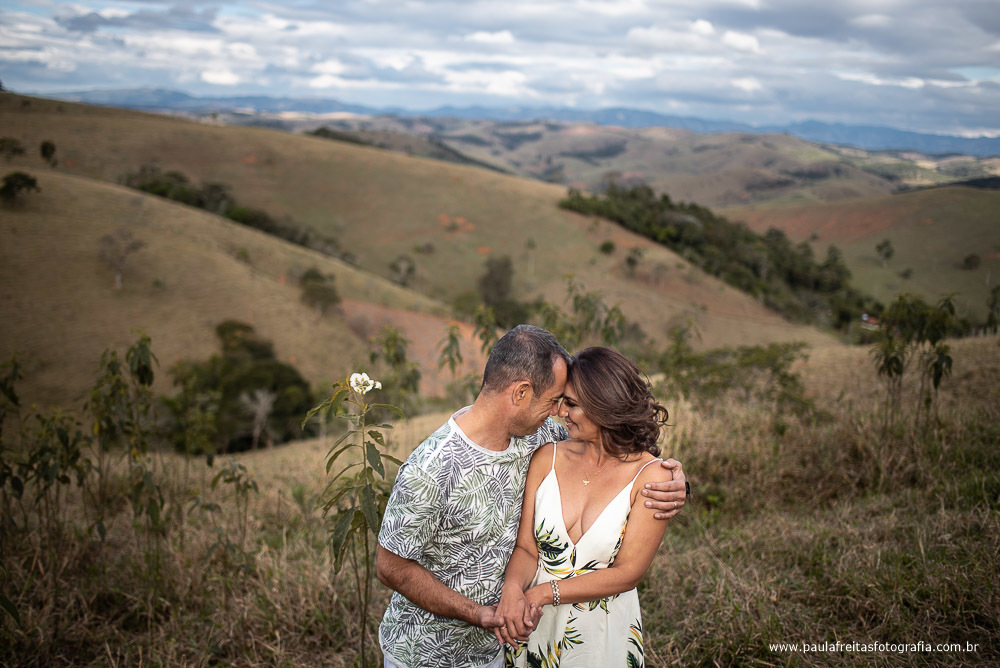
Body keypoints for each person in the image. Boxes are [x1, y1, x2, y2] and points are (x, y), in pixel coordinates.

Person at [376, 326, 687, 668]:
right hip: (428, 654)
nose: (558, 412)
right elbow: (390, 567)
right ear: (521, 394)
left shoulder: (541, 436)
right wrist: (479, 613)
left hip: (506, 648)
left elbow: (612, 449)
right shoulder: (430, 470)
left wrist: (675, 479)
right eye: (555, 401)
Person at [497, 346, 672, 667]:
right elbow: (526, 548)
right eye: (562, 400)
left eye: (572, 404)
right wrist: (512, 589)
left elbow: (628, 573)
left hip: (602, 633)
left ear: (605, 407)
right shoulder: (546, 458)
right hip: (535, 626)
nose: (561, 412)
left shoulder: (653, 476)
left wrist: (542, 593)